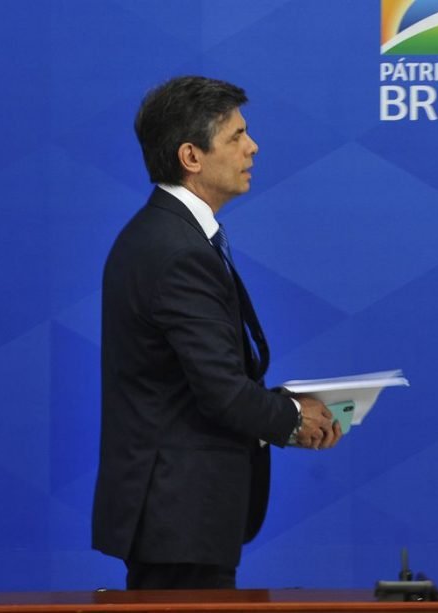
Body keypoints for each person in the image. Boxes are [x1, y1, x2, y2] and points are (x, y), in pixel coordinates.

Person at [92, 76, 343, 590]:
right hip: (178, 518)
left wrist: (281, 407)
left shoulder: (164, 235)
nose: (253, 147)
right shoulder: (178, 251)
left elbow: (193, 382)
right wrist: (294, 419)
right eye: (237, 136)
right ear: (191, 156)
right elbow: (221, 391)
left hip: (176, 519)